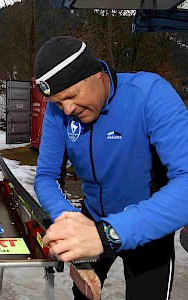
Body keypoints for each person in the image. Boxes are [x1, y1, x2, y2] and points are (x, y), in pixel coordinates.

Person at [34, 36, 188, 299]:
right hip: (91, 216)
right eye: (59, 102)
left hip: (148, 226)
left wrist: (109, 233)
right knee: (83, 294)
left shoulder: (149, 93)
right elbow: (46, 176)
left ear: (96, 74)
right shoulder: (57, 112)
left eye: (72, 96)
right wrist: (67, 217)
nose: (67, 109)